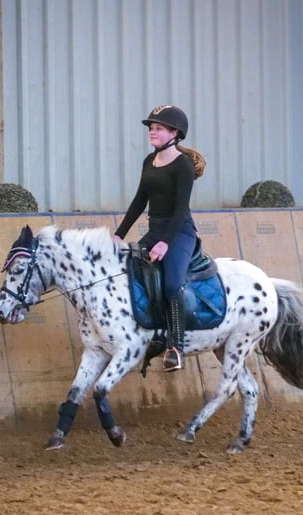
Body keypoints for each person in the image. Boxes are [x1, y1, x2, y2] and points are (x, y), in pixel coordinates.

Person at [114, 105, 203, 372]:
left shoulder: (183, 165)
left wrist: (165, 242)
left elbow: (180, 208)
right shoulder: (148, 161)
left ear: (174, 133)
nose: (152, 132)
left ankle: (176, 346)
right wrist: (119, 234)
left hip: (179, 231)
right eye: (151, 128)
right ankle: (148, 333)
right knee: (131, 272)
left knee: (172, 284)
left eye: (158, 128)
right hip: (155, 230)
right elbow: (139, 201)